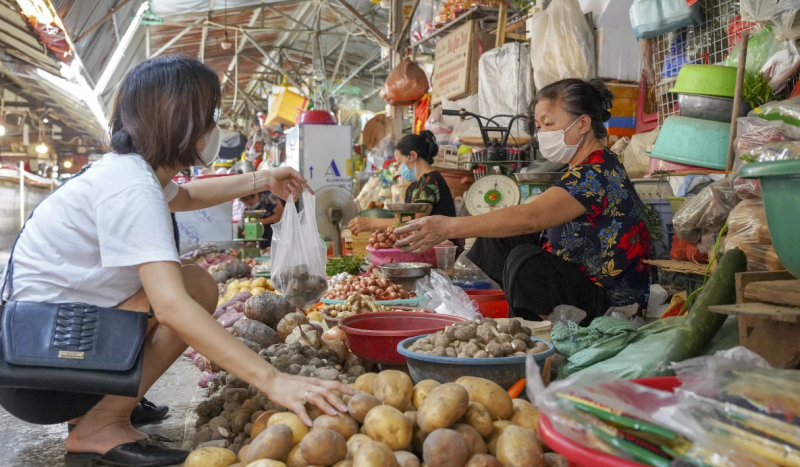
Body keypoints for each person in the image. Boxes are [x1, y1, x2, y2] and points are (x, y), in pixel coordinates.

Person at [0, 55, 355, 467]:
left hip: (42, 357)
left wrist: (262, 177)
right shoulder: (132, 185)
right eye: (209, 115)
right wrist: (274, 380)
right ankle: (101, 422)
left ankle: (95, 408)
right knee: (191, 289)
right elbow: (170, 306)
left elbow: (186, 197)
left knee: (191, 280)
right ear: (181, 120)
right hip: (42, 371)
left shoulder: (131, 173)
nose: (213, 128)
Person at [395, 79, 651, 325]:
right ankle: (527, 312)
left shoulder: (596, 172)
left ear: (583, 123)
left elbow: (532, 217)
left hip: (609, 302)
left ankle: (539, 326)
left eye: (549, 124)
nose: (542, 134)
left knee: (525, 261)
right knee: (498, 235)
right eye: (539, 126)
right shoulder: (585, 167)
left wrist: (449, 227)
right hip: (581, 282)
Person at [349, 131, 457, 236]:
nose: (398, 167)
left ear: (413, 155)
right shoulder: (414, 186)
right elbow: (403, 220)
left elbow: (416, 221)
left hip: (442, 246)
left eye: (400, 162)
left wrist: (371, 223)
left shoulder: (430, 181)